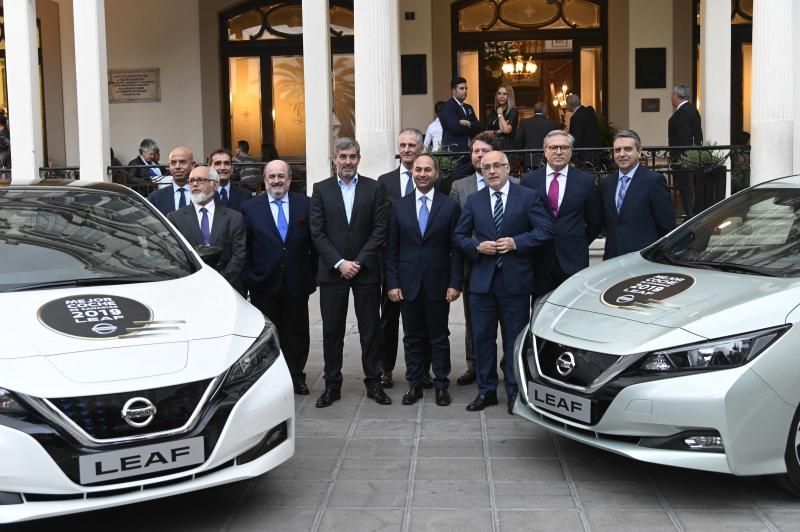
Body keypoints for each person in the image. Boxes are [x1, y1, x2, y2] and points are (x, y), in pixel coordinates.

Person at [454, 150, 553, 414]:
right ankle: (486, 392)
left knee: (513, 340)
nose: (492, 171)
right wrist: (476, 246)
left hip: (515, 283)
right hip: (482, 283)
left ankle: (514, 391)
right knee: (483, 339)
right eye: (486, 167)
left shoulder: (527, 197)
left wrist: (516, 242)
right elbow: (459, 236)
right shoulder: (474, 201)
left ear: (508, 168)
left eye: (497, 166)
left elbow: (545, 231)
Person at [309, 138, 390, 407]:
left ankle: (373, 383)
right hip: (333, 274)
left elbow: (380, 229)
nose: (347, 162)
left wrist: (359, 261)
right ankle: (332, 385)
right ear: (334, 158)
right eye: (342, 156)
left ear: (359, 158)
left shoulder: (374, 187)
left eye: (352, 156)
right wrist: (339, 263)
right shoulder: (320, 189)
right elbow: (317, 232)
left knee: (370, 331)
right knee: (332, 331)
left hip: (365, 272)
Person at [386, 154, 462, 406]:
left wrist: (454, 283)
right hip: (407, 285)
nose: (422, 174)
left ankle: (441, 384)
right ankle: (415, 384)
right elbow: (392, 249)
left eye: (427, 170)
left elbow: (455, 248)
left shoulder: (449, 206)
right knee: (412, 336)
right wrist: (393, 283)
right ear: (412, 173)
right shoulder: (399, 206)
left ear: (436, 174)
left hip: (439, 284)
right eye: (418, 170)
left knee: (439, 336)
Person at [241, 159, 316, 396]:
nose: (276, 180)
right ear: (264, 180)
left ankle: (296, 377)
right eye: (271, 176)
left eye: (281, 176)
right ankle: (272, 380)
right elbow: (245, 248)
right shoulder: (250, 208)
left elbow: (315, 243)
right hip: (264, 284)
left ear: (289, 179)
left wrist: (311, 277)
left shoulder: (305, 205)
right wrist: (251, 277)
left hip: (297, 282)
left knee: (298, 334)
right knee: (269, 336)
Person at [520, 130, 603, 297]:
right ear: (545, 151)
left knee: (574, 310)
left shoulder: (585, 181)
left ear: (571, 152)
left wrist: (576, 241)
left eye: (564, 147)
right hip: (540, 258)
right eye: (553, 147)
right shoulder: (529, 180)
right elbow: (524, 219)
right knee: (540, 310)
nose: (558, 152)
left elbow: (595, 221)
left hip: (573, 259)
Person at [376, 128, 426, 389]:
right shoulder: (384, 182)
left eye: (412, 145)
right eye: (403, 145)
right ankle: (386, 368)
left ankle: (422, 370)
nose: (407, 149)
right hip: (392, 261)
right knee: (389, 317)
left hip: (422, 262)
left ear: (421, 148)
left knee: (422, 317)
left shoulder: (433, 179)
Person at [448, 131, 498, 386]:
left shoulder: (515, 184)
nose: (479, 155)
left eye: (484, 150)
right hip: (474, 262)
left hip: (506, 263)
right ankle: (474, 365)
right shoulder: (460, 186)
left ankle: (505, 366)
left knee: (509, 322)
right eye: (475, 151)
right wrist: (477, 247)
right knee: (474, 320)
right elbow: (456, 230)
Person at [167, 164, 246, 293]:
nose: (195, 184)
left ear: (215, 185)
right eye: (191, 180)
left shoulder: (234, 218)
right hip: (189, 289)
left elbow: (238, 256)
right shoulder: (175, 218)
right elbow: (173, 256)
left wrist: (220, 282)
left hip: (228, 288)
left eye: (200, 180)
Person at [600, 129, 675, 260]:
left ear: (639, 152)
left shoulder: (653, 181)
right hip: (613, 258)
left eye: (628, 149)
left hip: (644, 259)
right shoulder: (606, 183)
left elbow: (666, 224)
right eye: (617, 150)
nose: (621, 154)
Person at [668, 83, 704, 217]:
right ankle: (691, 214)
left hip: (683, 159)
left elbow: (684, 137)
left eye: (672, 95)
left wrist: (680, 158)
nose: (671, 98)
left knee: (686, 188)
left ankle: (690, 215)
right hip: (689, 157)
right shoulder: (692, 110)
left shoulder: (683, 112)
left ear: (677, 96)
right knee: (688, 188)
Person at [440, 77, 483, 153]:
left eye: (466, 88)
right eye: (461, 88)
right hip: (454, 150)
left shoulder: (468, 107)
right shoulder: (448, 107)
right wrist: (472, 127)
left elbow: (479, 127)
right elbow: (455, 129)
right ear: (454, 91)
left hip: (469, 150)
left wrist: (468, 123)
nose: (465, 91)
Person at [148, 146, 195, 215]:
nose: (177, 167)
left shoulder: (204, 194)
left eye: (182, 162)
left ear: (192, 165)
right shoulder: (156, 197)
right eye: (173, 163)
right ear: (169, 166)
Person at [516, 101, 560, 169]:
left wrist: (521, 157)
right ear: (545, 111)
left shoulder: (524, 123)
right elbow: (556, 141)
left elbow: (518, 141)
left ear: (534, 110)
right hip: (547, 160)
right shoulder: (552, 123)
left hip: (529, 160)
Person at [566, 94, 600, 167]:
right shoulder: (590, 112)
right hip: (595, 152)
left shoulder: (575, 118)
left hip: (583, 156)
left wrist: (573, 158)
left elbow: (576, 139)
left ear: (569, 105)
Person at [484, 83, 519, 151]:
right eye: (499, 93)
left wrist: (500, 115)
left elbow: (506, 130)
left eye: (504, 94)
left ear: (509, 96)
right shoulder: (493, 112)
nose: (501, 96)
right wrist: (498, 131)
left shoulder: (513, 111)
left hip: (507, 148)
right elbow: (486, 132)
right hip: (492, 146)